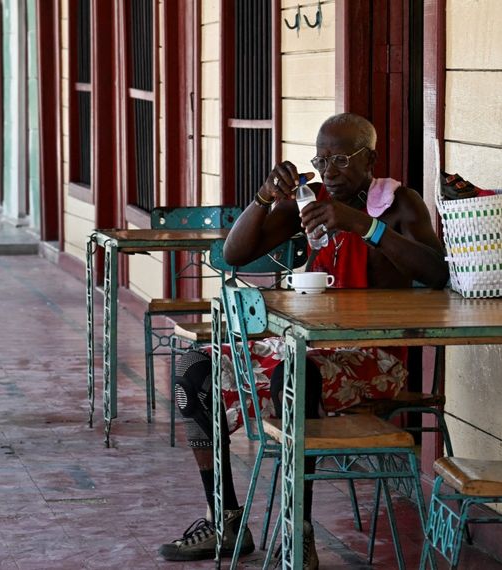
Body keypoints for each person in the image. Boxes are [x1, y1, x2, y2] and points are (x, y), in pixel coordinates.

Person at [158, 113, 449, 567]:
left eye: (340, 159)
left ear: (369, 159)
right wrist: (264, 197)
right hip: (306, 344)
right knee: (194, 369)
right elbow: (234, 253)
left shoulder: (397, 203)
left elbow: (437, 272)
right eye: (321, 158)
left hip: (372, 357)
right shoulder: (309, 201)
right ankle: (226, 520)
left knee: (294, 377)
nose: (329, 170)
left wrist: (364, 225)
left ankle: (300, 531)